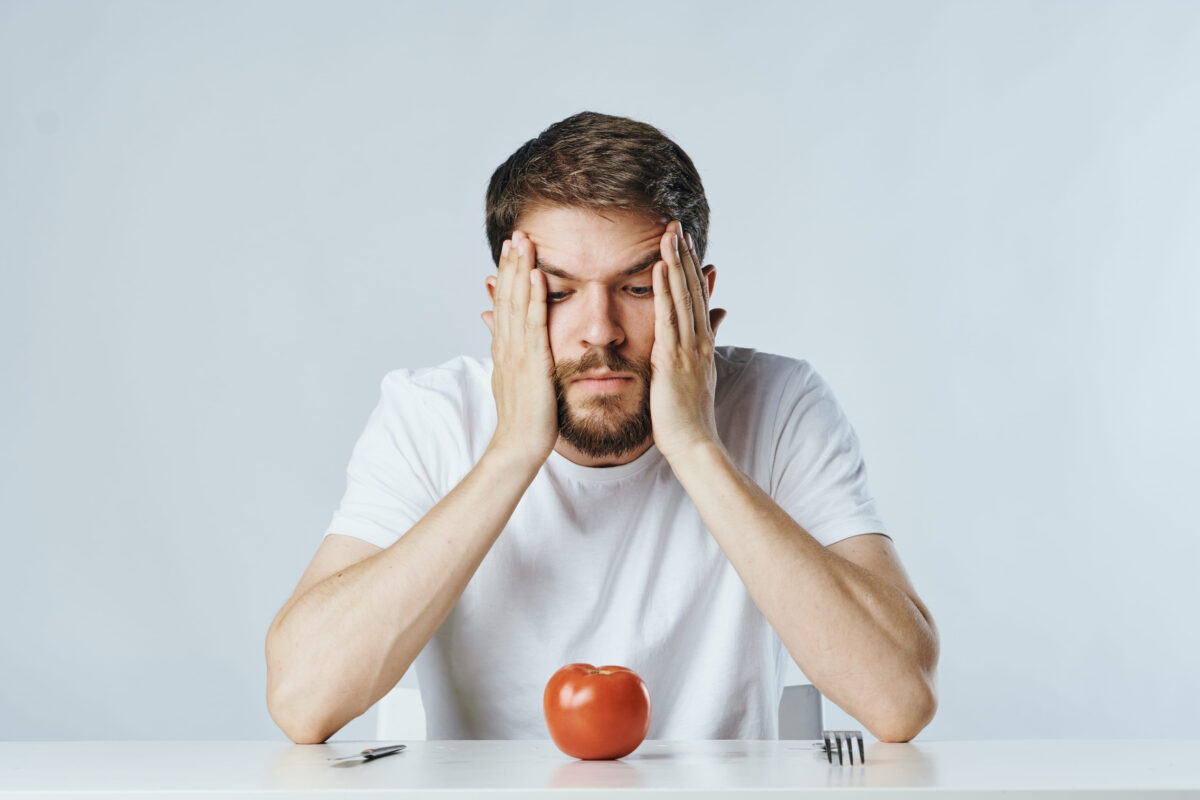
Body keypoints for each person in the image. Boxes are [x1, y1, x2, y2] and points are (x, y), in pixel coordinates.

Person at [265, 112, 939, 746]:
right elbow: (302, 700)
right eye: (557, 292)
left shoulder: (780, 402)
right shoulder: (431, 413)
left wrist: (698, 447)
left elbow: (901, 699)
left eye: (640, 288)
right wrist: (510, 454)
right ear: (503, 309)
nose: (600, 331)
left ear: (698, 300)